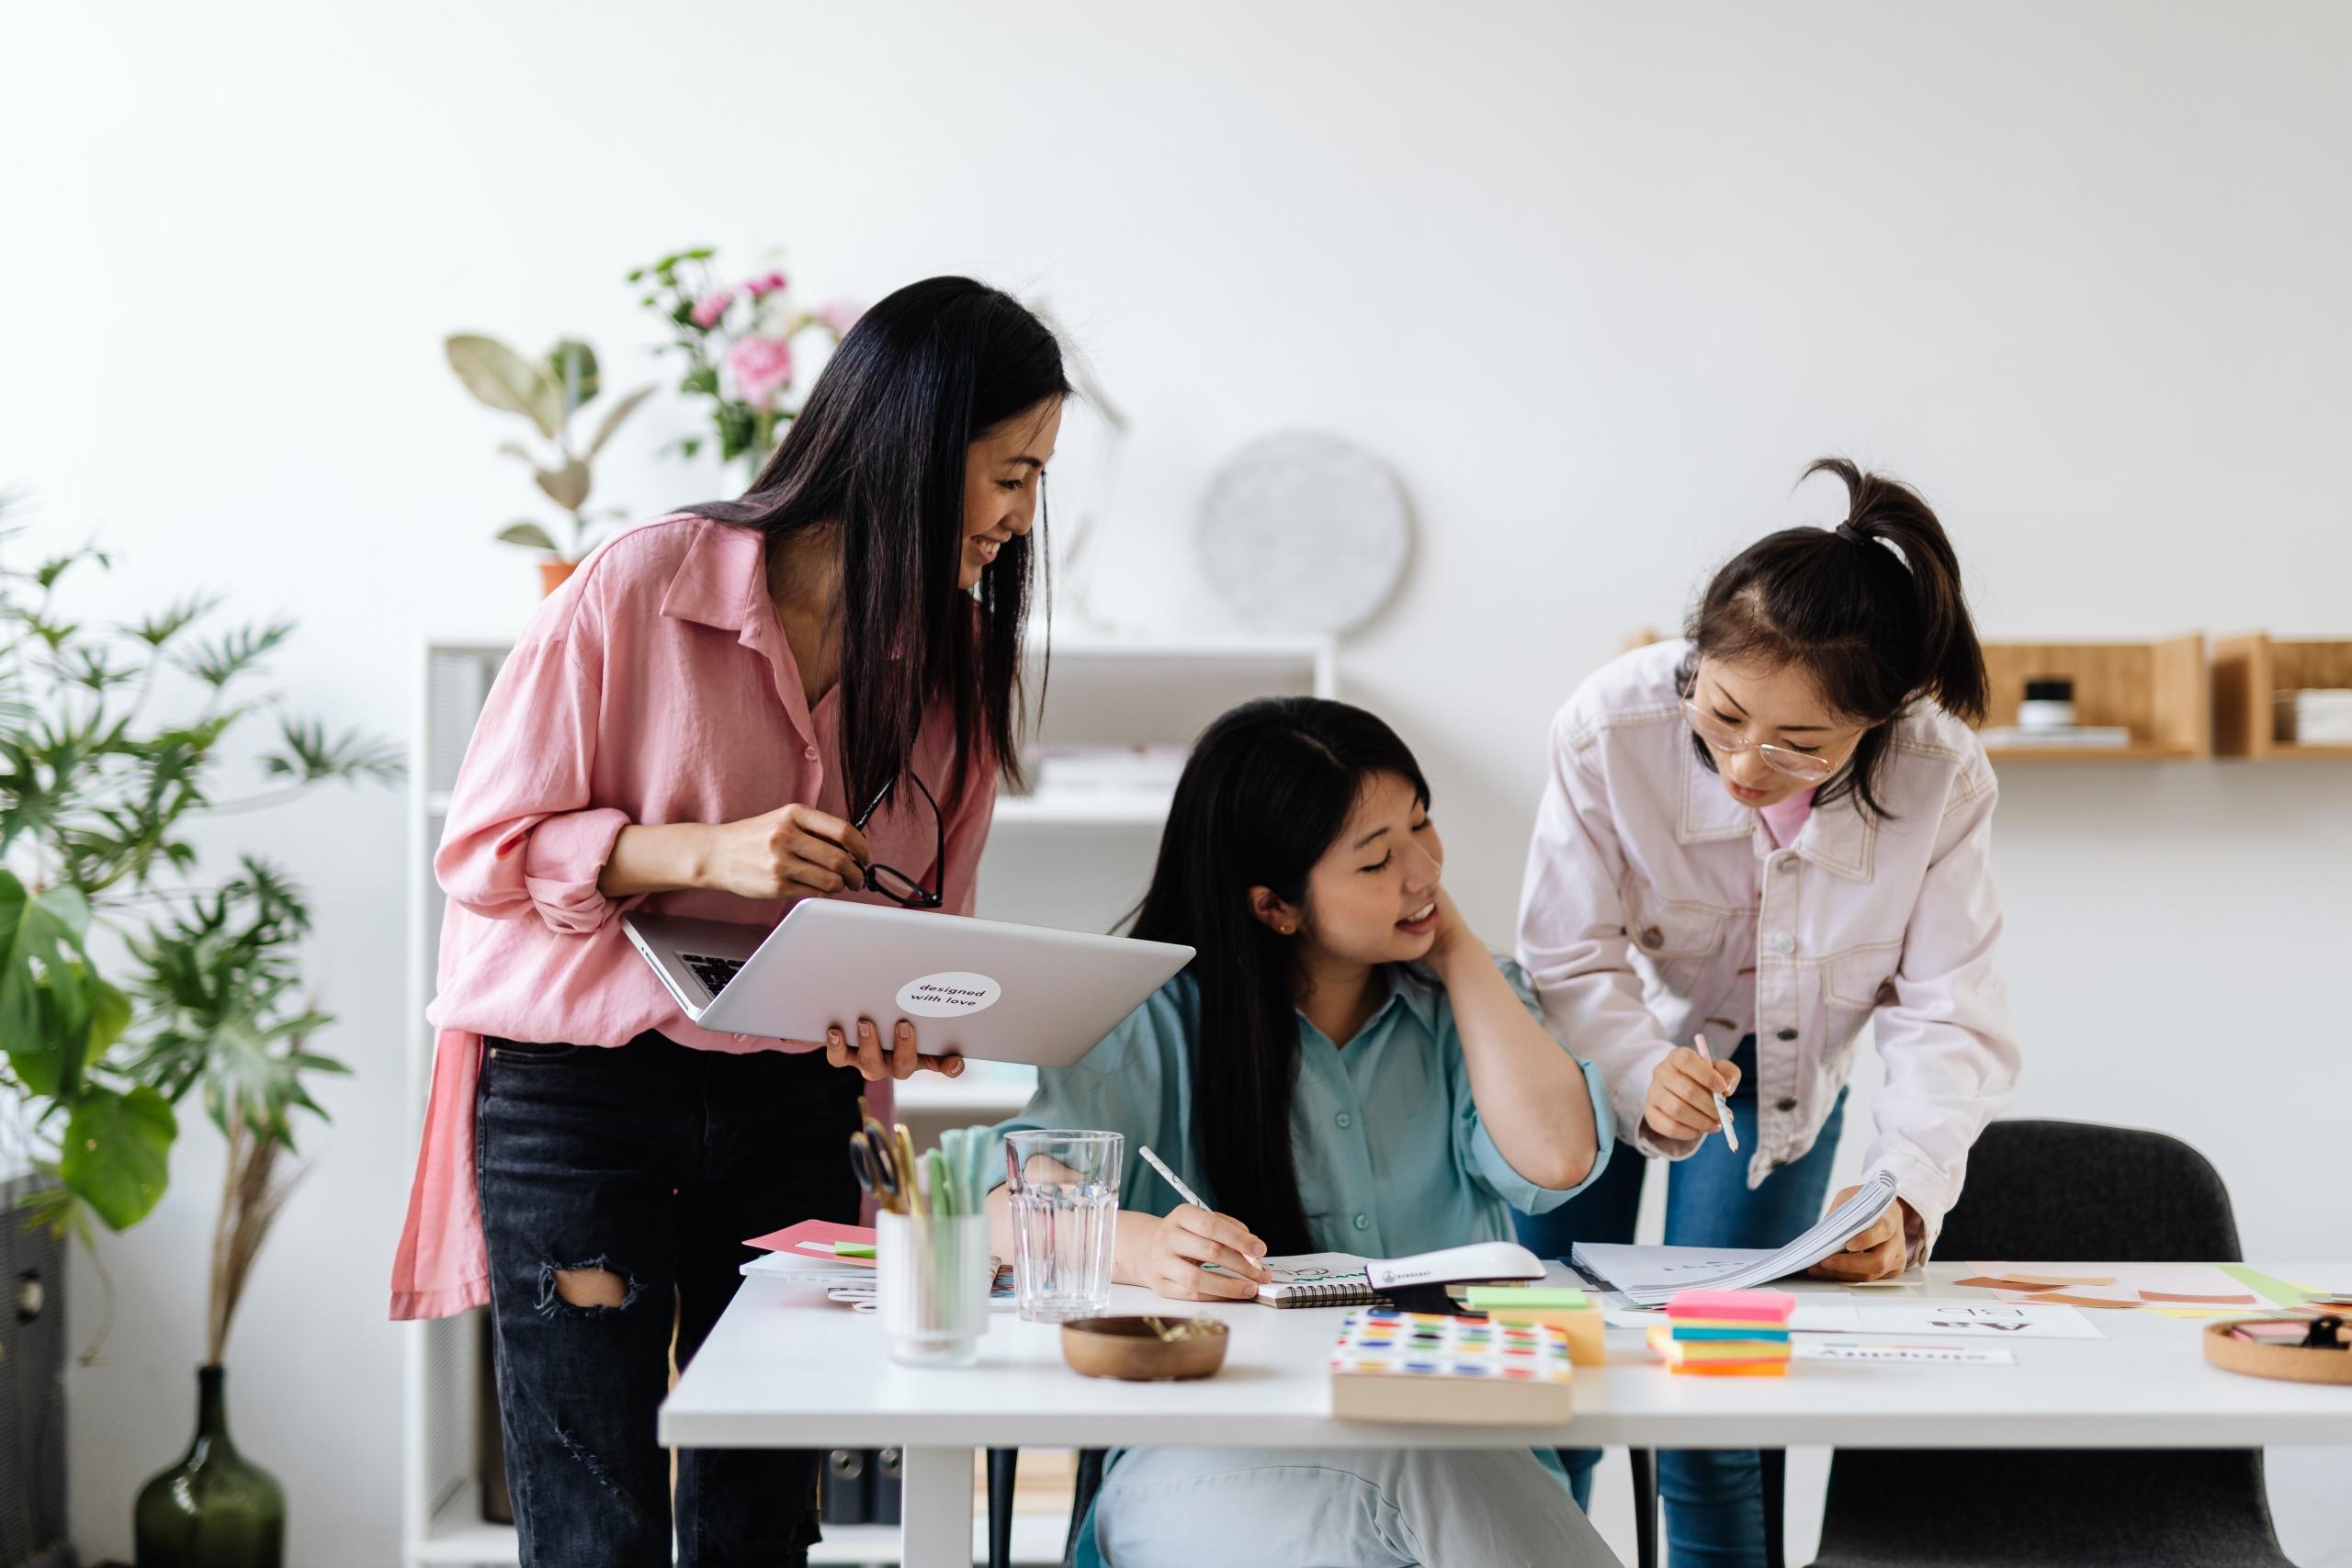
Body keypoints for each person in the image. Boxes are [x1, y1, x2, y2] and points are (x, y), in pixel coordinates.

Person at [389, 276, 1068, 1568]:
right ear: (917, 441)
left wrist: (910, 1020)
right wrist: (704, 850)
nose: (1022, 515)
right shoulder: (641, 584)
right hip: (578, 1103)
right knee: (595, 1516)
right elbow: (480, 848)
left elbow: (929, 935)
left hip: (789, 1111)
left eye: (1035, 479)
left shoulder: (957, 669)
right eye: (1010, 471)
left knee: (762, 1522)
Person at [1513, 457, 2022, 1566]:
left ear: (1878, 727)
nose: (1748, 764)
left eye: (1801, 747)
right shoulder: (1609, 727)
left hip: (1784, 1087)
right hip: (1580, 1059)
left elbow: (1950, 1013)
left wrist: (1903, 1194)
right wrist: (1639, 1066)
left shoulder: (1943, 777)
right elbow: (1563, 950)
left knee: (1716, 1408)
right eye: (1727, 715)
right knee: (1544, 1387)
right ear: (1696, 657)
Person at [989, 697, 1621, 1568]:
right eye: (1377, 859)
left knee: (1419, 1452)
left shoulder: (1469, 1008)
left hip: (1470, 1448)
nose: (1423, 869)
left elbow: (1558, 1156)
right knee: (1412, 1455)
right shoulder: (1148, 1019)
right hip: (1208, 1460)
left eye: (1423, 825)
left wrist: (1460, 948)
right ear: (1274, 905)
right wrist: (1139, 1246)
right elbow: (1007, 1204)